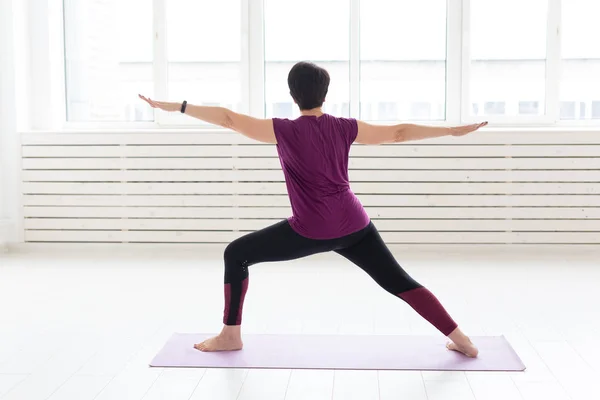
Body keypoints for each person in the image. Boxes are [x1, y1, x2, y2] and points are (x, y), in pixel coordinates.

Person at [139, 61, 486, 358]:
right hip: (355, 225)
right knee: (398, 281)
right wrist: (451, 131)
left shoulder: (282, 130)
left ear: (292, 94)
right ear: (325, 93)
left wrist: (178, 107)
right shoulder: (345, 127)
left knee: (236, 254)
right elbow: (397, 132)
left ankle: (230, 335)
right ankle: (462, 341)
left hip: (310, 229)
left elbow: (229, 118)